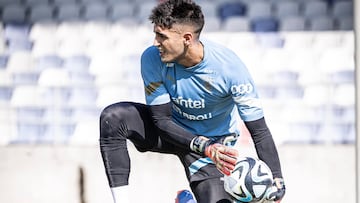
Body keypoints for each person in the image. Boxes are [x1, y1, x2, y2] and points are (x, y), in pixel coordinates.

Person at [99, 0, 286, 202]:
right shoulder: (152, 58)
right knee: (114, 118)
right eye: (155, 34)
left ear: (187, 38)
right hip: (171, 133)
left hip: (215, 147)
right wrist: (202, 145)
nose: (155, 43)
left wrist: (277, 179)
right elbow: (161, 120)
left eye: (162, 36)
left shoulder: (230, 69)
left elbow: (259, 130)